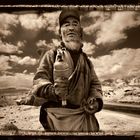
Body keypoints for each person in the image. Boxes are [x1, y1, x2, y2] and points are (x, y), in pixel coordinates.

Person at [18, 9, 103, 132]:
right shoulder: (51, 55)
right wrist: (53, 91)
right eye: (66, 25)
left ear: (81, 31)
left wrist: (96, 102)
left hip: (83, 116)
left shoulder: (87, 62)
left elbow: (95, 85)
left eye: (75, 24)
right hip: (58, 119)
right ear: (60, 33)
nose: (71, 28)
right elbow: (39, 80)